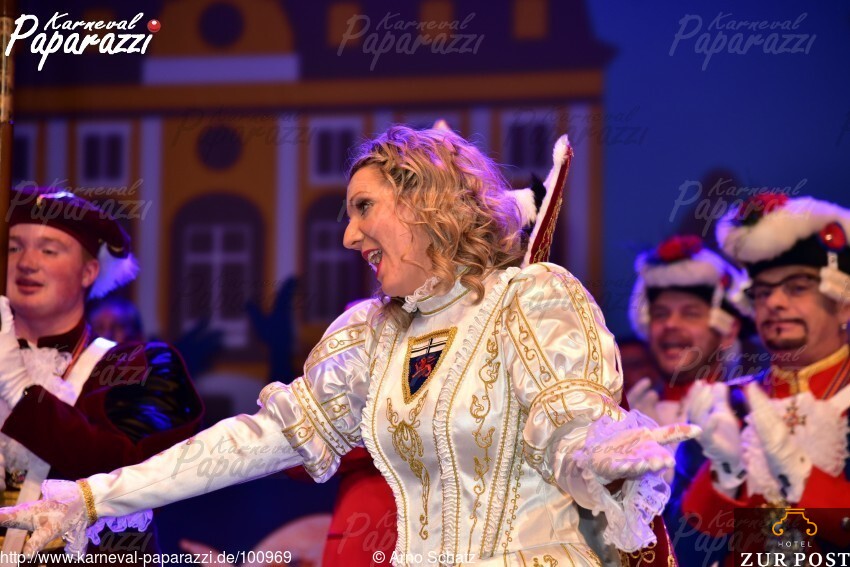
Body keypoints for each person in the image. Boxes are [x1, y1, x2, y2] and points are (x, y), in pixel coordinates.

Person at [0, 127, 697, 566]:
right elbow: (252, 441)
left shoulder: (531, 298)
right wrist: (89, 498)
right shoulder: (372, 333)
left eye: (364, 207)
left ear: (427, 202)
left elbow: (569, 429)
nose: (348, 235)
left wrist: (603, 454)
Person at [0, 188, 203, 559]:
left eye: (49, 250)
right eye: (14, 248)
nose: (26, 263)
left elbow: (128, 471)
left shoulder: (141, 365)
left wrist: (18, 388)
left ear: (89, 271)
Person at [681, 193, 850, 562]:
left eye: (797, 288)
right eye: (762, 293)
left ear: (843, 304)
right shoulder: (727, 404)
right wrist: (724, 475)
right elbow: (684, 548)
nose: (774, 303)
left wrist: (803, 477)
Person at [626, 234, 750, 566]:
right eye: (660, 313)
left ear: (728, 331)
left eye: (690, 313)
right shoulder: (624, 415)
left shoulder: (749, 411)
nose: (670, 324)